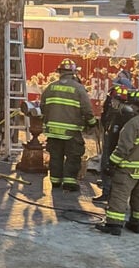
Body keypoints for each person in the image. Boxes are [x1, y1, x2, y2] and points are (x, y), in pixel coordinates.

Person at [95, 89, 139, 235]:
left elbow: (123, 148)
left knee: (119, 195)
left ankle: (113, 225)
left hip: (128, 168)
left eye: (130, 104)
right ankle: (137, 224)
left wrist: (111, 163)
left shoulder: (133, 123)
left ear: (135, 106)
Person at [40, 58, 97, 191]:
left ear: (60, 72)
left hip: (53, 130)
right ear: (74, 73)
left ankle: (55, 181)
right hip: (71, 131)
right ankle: (69, 183)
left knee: (56, 156)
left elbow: (42, 106)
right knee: (73, 156)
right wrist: (92, 123)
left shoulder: (51, 87)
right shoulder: (79, 88)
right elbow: (87, 109)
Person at [92, 80, 136, 203]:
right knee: (107, 167)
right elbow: (105, 121)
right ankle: (108, 191)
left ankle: (108, 193)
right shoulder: (117, 111)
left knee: (109, 167)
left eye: (112, 100)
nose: (111, 102)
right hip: (111, 142)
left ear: (118, 100)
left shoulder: (123, 114)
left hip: (115, 145)